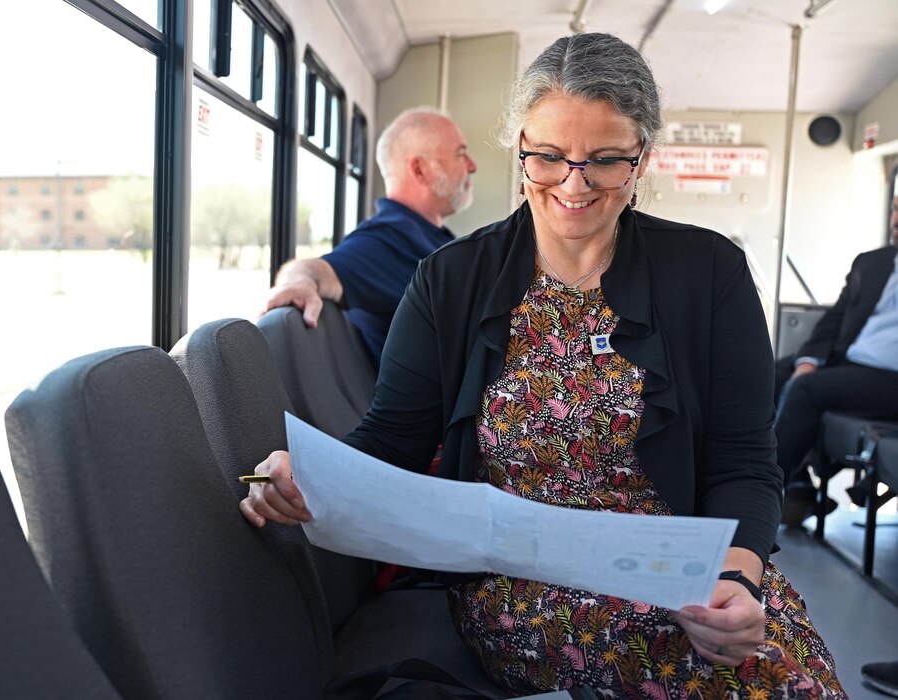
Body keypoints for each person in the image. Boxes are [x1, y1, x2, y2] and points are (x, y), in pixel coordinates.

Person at [242, 33, 844, 697]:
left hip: (687, 571)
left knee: (785, 670)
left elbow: (744, 464)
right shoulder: (449, 281)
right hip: (524, 589)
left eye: (606, 161)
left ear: (641, 157)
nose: (574, 185)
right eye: (549, 158)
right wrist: (314, 476)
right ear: (519, 146)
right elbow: (391, 442)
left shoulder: (712, 275)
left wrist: (735, 580)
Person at [263, 107, 477, 365]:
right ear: (420, 170)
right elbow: (316, 270)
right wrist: (300, 284)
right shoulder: (387, 238)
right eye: (461, 154)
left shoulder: (432, 235)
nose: (472, 166)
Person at [777, 194, 898, 527]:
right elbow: (834, 319)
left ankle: (765, 497)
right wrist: (809, 360)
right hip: (851, 362)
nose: (896, 219)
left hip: (890, 378)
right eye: (896, 209)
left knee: (807, 392)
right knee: (772, 375)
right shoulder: (872, 264)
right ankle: (798, 484)